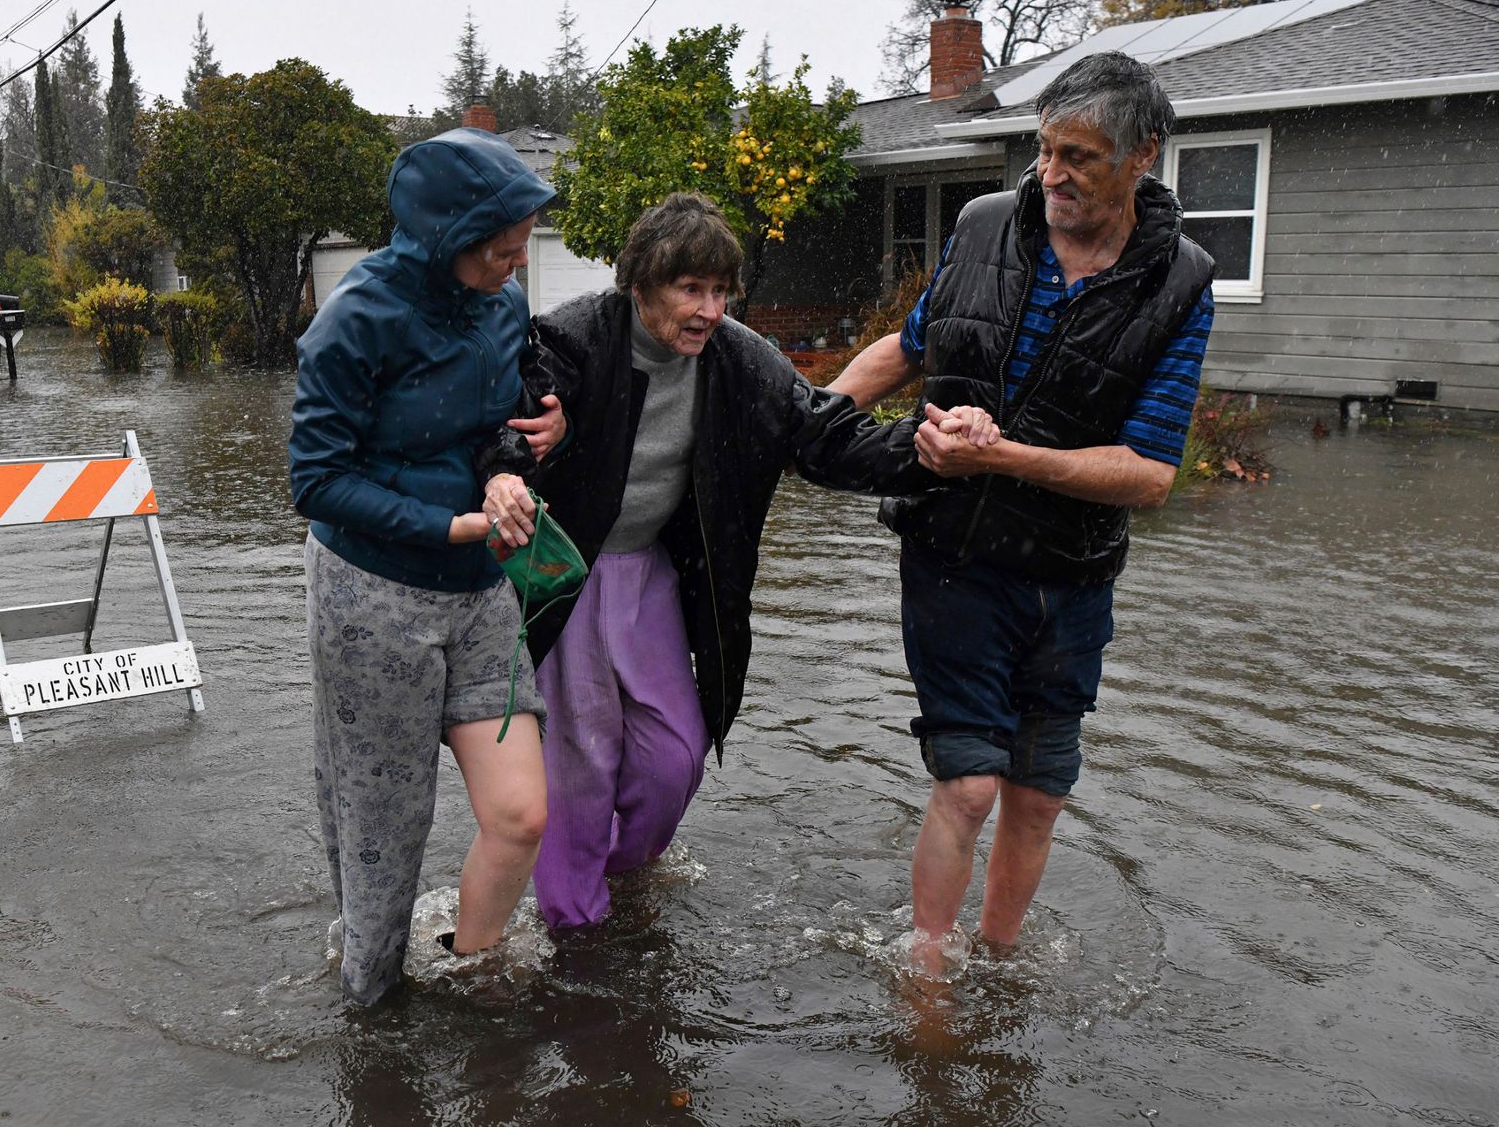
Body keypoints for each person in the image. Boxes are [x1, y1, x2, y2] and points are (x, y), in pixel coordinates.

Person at [826, 52, 1216, 972]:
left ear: (1142, 156)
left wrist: (1002, 454)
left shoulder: (1184, 284)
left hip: (1072, 580)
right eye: (1044, 151)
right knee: (966, 786)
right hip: (952, 554)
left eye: (1078, 156)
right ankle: (927, 972)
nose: (1051, 176)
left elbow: (1151, 473)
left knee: (1037, 796)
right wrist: (810, 422)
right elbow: (911, 346)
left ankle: (998, 962)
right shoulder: (984, 224)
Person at [518, 192, 958, 931]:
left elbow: (825, 438)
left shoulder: (743, 361)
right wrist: (534, 436)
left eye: (721, 291)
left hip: (651, 572)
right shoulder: (572, 341)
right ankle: (573, 926)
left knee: (675, 755)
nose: (709, 310)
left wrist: (926, 446)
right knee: (582, 761)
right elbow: (505, 414)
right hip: (568, 571)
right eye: (691, 289)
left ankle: (621, 882)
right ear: (639, 282)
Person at [290, 127, 565, 1005]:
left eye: (524, 245)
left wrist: (517, 461)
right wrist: (449, 525)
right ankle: (371, 1024)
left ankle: (473, 982)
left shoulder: (502, 306)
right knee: (386, 833)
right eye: (504, 248)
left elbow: (496, 425)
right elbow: (316, 479)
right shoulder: (354, 321)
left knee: (521, 814)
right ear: (450, 239)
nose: (520, 263)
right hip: (372, 596)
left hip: (483, 589)